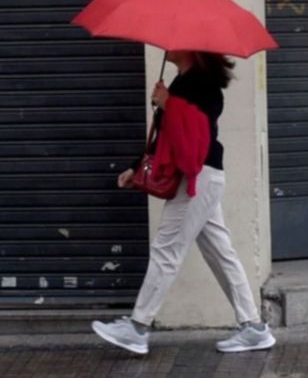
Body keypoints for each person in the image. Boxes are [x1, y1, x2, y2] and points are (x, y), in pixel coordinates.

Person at [91, 51, 275, 355]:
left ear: (190, 49)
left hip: (198, 178)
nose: (167, 48)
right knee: (221, 254)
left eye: (175, 44)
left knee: (166, 249)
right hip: (200, 179)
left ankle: (137, 328)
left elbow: (197, 133)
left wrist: (169, 104)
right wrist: (137, 167)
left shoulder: (203, 86)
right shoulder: (182, 82)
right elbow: (168, 137)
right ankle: (253, 328)